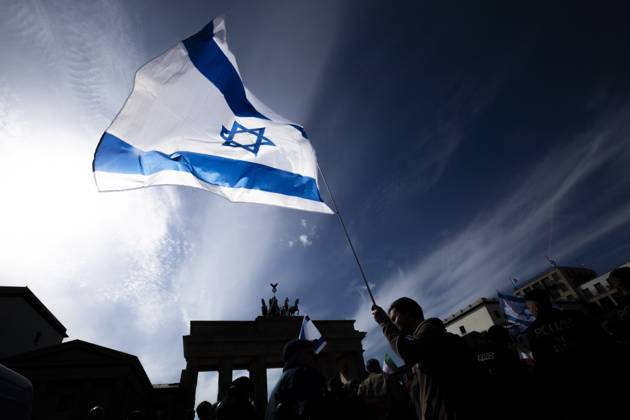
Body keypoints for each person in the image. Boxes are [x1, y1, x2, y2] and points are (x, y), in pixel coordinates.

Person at [372, 297, 480, 420]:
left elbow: (408, 351)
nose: (394, 324)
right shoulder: (422, 341)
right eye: (391, 321)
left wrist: (384, 322)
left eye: (395, 319)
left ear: (408, 314)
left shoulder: (429, 331)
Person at [265, 339, 326, 420]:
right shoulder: (302, 374)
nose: (315, 357)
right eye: (309, 353)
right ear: (297, 357)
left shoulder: (285, 378)